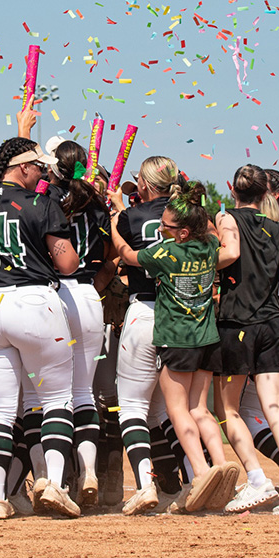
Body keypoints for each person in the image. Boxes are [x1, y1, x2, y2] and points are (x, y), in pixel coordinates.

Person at [0, 137, 81, 519]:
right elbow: (68, 264)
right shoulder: (42, 202)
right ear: (23, 167)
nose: (43, 172)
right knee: (56, 399)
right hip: (34, 303)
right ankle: (54, 483)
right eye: (39, 166)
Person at [111, 180, 240, 512]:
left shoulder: (165, 252)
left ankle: (200, 472)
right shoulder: (208, 249)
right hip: (206, 338)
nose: (162, 229)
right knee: (201, 409)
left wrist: (115, 222)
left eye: (167, 226)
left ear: (182, 232)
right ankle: (222, 469)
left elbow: (127, 255)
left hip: (176, 339)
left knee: (177, 410)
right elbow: (224, 247)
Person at [41, 140, 112, 506]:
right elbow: (110, 256)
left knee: (51, 394)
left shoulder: (48, 198)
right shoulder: (99, 203)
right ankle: (87, 471)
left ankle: (52, 477)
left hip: (54, 294)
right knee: (84, 393)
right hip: (87, 295)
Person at [112, 156, 184, 515]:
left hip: (145, 309)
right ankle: (187, 478)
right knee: (168, 409)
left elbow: (116, 257)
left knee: (132, 406)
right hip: (185, 315)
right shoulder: (189, 212)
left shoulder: (131, 216)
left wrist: (116, 215)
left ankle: (144, 485)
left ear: (145, 183)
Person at [213, 164, 279, 513]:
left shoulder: (227, 220)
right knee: (274, 408)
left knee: (228, 409)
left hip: (237, 323)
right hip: (273, 325)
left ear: (232, 189)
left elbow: (228, 255)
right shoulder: (276, 228)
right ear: (265, 191)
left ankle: (257, 480)